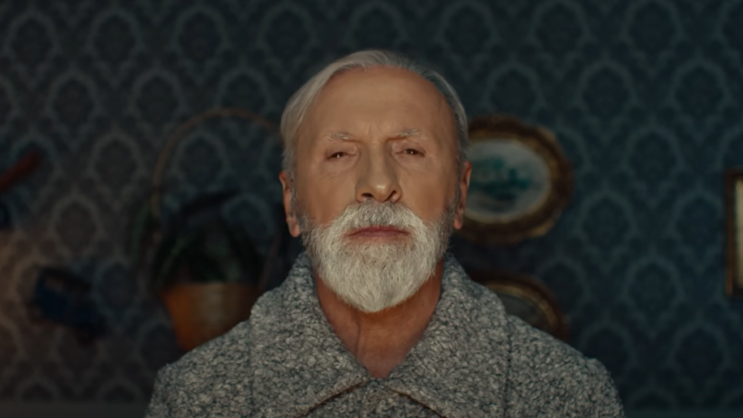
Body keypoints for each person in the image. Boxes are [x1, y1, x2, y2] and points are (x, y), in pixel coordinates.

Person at [145, 50, 625, 417]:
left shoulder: (571, 396)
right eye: (340, 154)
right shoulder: (193, 398)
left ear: (460, 195)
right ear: (292, 203)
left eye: (410, 151)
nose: (377, 184)